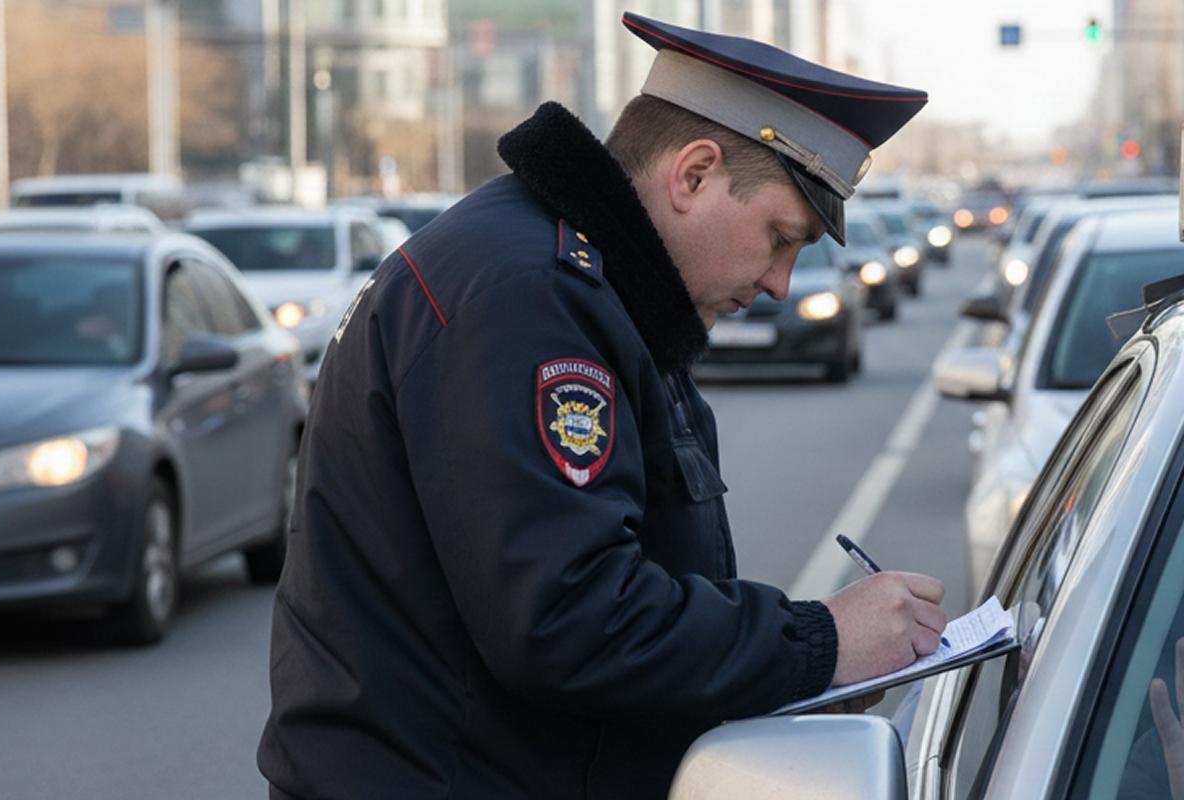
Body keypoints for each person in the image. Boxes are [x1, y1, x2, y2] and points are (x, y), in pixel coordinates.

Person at [258, 12, 946, 799]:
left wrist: (796, 669)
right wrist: (818, 644)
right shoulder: (525, 297)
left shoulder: (593, 292)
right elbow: (568, 620)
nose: (779, 284)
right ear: (693, 175)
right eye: (780, 237)